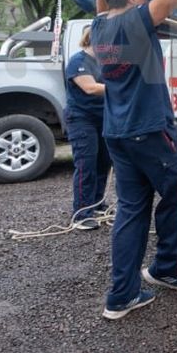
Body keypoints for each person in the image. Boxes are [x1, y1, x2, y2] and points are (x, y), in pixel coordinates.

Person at [84, 0, 177, 320]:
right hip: (150, 128)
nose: (148, 2)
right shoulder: (133, 21)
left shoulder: (99, 28)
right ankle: (168, 269)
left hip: (117, 132)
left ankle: (122, 295)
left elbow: (102, 7)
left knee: (132, 210)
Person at [64, 26, 111, 230]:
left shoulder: (105, 62)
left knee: (104, 162)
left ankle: (97, 204)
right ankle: (81, 213)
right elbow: (90, 88)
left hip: (103, 118)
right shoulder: (78, 61)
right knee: (86, 164)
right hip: (82, 119)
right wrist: (122, 88)